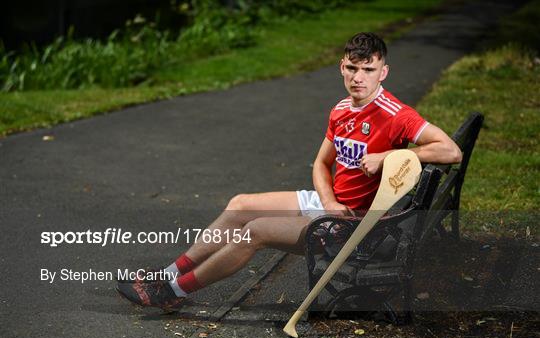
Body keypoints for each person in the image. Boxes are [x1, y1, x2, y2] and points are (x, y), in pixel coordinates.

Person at [116, 32, 462, 311]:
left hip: (356, 227)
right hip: (333, 207)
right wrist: (327, 200)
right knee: (240, 205)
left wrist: (388, 155)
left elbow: (451, 150)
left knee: (256, 231)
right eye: (352, 69)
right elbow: (321, 164)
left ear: (383, 72)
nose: (359, 78)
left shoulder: (394, 113)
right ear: (342, 67)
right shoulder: (341, 109)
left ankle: (175, 291)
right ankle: (168, 274)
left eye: (368, 70)